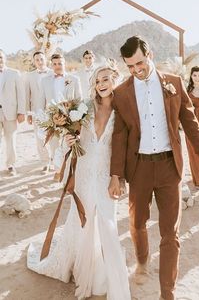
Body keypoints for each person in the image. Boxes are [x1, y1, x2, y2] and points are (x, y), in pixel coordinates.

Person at [108, 36, 199, 300]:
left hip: (169, 167)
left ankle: (168, 293)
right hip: (139, 168)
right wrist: (116, 175)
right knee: (137, 223)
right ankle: (142, 260)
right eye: (130, 66)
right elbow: (119, 137)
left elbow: (190, 122)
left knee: (170, 233)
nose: (136, 70)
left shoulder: (174, 83)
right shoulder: (121, 92)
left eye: (140, 63)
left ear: (149, 54)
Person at [27, 64, 131, 300]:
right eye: (97, 81)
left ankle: (112, 281)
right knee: (83, 223)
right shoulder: (84, 108)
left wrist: (118, 177)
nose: (101, 84)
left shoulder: (122, 112)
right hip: (84, 172)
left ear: (115, 80)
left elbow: (123, 148)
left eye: (106, 79)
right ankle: (84, 276)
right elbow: (70, 140)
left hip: (106, 174)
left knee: (107, 223)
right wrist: (69, 138)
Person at [40, 53, 82, 174]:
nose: (57, 66)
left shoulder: (74, 79)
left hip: (70, 118)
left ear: (64, 64)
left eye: (60, 63)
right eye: (55, 64)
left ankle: (69, 171)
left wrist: (78, 118)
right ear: (51, 65)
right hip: (53, 119)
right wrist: (43, 117)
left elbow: (79, 99)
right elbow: (42, 99)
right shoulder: (45, 81)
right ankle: (58, 171)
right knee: (54, 146)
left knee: (69, 145)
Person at [25, 51, 52, 171]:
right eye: (37, 60)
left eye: (41, 59)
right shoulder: (30, 76)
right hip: (37, 111)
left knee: (54, 138)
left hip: (53, 110)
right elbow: (27, 95)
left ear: (45, 59)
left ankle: (56, 161)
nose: (40, 62)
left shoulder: (53, 72)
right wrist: (28, 113)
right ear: (34, 61)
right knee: (40, 138)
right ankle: (45, 162)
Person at [0, 49, 25, 173]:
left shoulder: (14, 73)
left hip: (10, 112)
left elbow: (21, 94)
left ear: (5, 58)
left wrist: (21, 111)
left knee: (10, 140)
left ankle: (10, 165)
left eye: (0, 57)